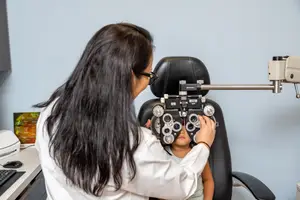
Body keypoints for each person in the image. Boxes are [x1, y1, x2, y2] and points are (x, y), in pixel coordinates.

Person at [33, 22, 216, 200]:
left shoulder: (50, 113)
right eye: (149, 76)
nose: (147, 83)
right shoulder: (132, 144)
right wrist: (203, 145)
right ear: (129, 76)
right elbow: (182, 185)